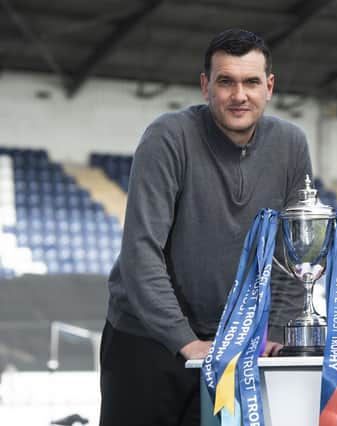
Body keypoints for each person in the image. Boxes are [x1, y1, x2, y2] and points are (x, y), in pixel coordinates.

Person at [99, 29, 311, 426]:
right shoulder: (169, 137)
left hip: (233, 345)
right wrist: (185, 340)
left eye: (250, 82)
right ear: (205, 86)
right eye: (225, 81)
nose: (239, 95)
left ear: (269, 87)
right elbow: (141, 249)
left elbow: (292, 253)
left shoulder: (291, 144)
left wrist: (278, 330)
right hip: (147, 340)